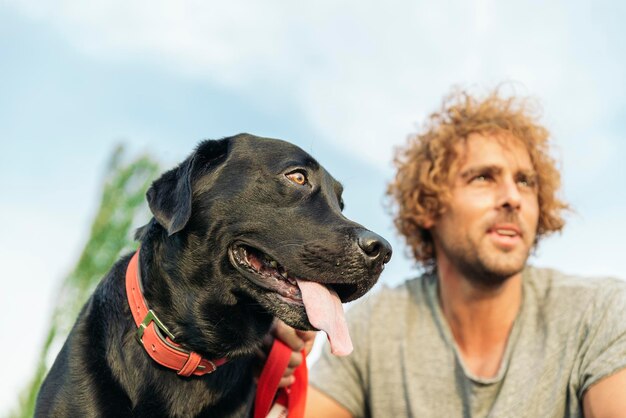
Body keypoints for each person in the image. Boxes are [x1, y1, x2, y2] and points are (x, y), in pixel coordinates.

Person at [271, 87, 626, 417]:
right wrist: (260, 365)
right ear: (429, 205)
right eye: (483, 178)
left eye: (525, 181)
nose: (512, 198)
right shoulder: (375, 326)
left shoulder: (598, 312)